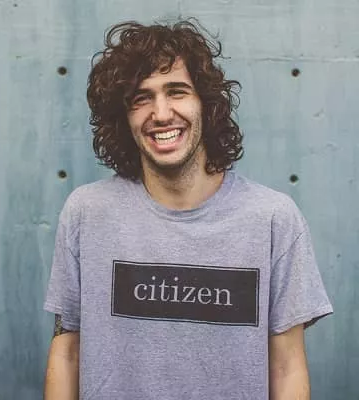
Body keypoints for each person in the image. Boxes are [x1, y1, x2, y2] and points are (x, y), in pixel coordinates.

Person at [43, 19, 333, 400]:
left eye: (176, 91)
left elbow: (287, 366)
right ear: (123, 117)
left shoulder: (273, 219)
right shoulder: (86, 212)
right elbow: (67, 350)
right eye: (141, 98)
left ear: (205, 104)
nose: (161, 113)